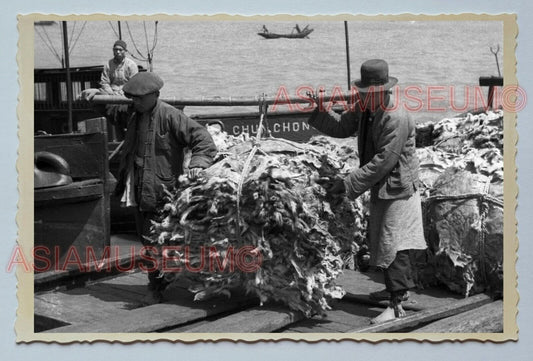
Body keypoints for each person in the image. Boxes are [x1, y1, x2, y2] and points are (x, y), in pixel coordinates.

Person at [307, 59, 427, 324]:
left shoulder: (396, 116)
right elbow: (340, 127)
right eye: (362, 94)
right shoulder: (365, 107)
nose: (364, 98)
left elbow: (385, 159)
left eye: (369, 94)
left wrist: (348, 183)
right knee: (381, 240)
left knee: (395, 243)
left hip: (399, 187)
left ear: (384, 91)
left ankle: (396, 306)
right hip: (381, 185)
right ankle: (395, 291)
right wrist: (320, 110)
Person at [115, 71, 218, 302]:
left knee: (156, 241)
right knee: (146, 239)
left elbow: (202, 138)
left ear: (156, 95)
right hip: (138, 188)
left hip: (163, 190)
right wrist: (94, 96)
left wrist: (198, 164)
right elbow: (111, 110)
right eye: (133, 98)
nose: (136, 102)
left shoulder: (170, 115)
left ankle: (156, 288)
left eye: (140, 98)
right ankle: (164, 280)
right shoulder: (133, 114)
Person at [79, 40, 138, 137]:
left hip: (126, 94)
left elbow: (134, 83)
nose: (117, 52)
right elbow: (105, 82)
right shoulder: (108, 64)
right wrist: (111, 93)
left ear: (125, 51)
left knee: (128, 109)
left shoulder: (131, 65)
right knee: (97, 98)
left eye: (120, 50)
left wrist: (123, 94)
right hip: (110, 93)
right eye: (115, 50)